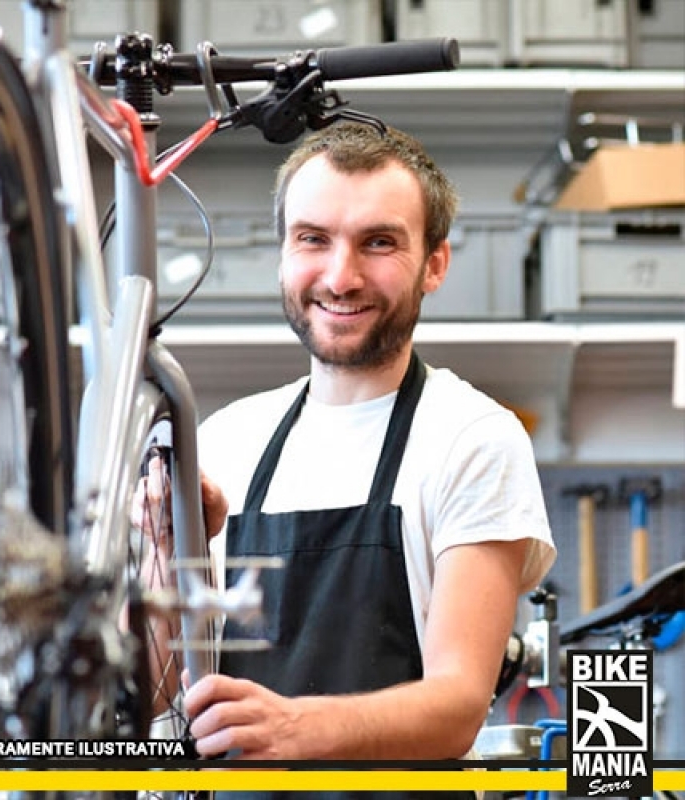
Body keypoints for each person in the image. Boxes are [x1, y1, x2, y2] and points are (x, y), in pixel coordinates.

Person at [133, 121, 556, 770]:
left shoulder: (472, 439)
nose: (341, 276)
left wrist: (293, 726)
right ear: (283, 252)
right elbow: (154, 694)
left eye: (378, 242)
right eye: (313, 239)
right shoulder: (225, 440)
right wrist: (163, 556)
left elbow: (457, 705)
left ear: (435, 263)